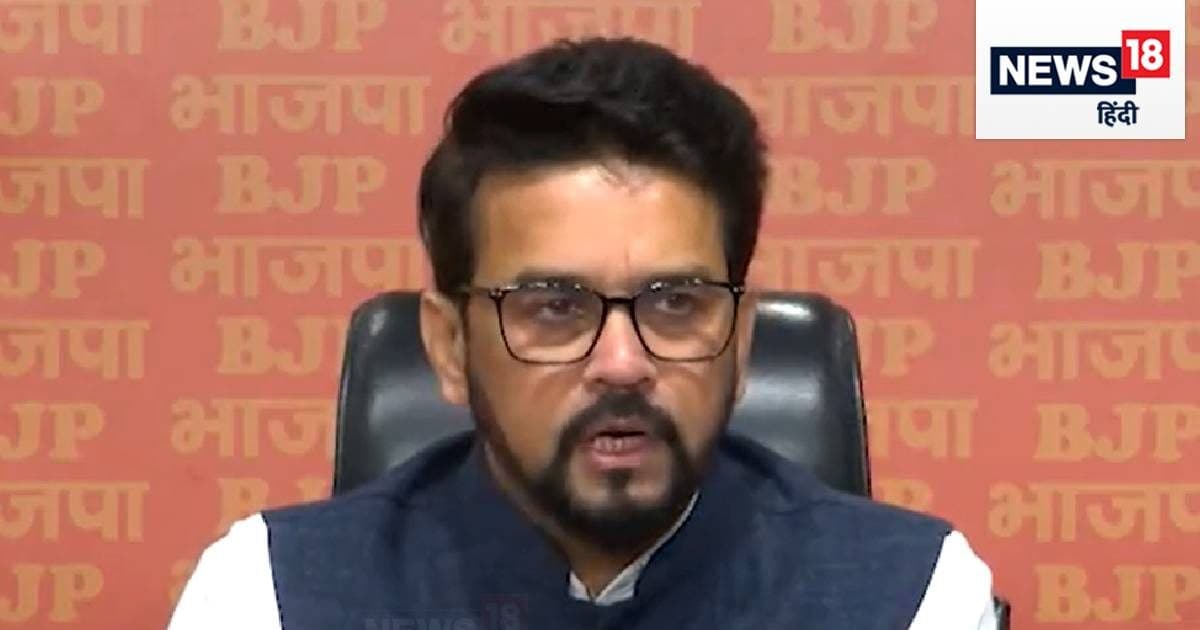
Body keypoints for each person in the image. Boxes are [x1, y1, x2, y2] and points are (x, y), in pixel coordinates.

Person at [168, 37, 997, 630]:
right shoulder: (267, 596)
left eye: (676, 302)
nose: (623, 363)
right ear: (450, 347)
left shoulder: (908, 598)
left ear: (741, 339)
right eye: (555, 307)